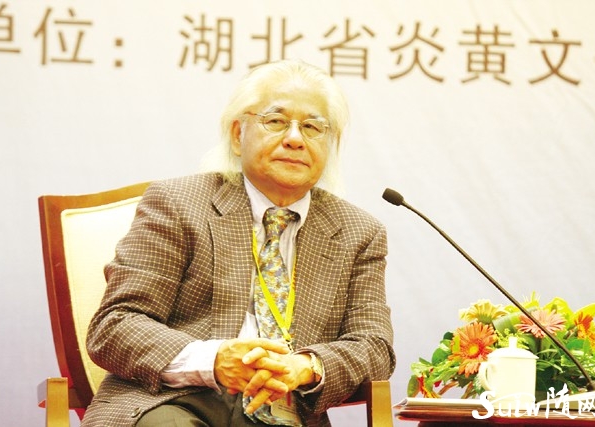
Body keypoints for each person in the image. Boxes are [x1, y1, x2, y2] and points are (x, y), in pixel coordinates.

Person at [82, 59, 395, 427]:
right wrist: (214, 361)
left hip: (287, 412)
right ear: (237, 134)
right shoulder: (177, 203)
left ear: (331, 143)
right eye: (276, 121)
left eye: (312, 127)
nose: (295, 139)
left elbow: (374, 346)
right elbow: (115, 324)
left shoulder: (358, 232)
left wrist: (306, 366)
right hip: (175, 402)